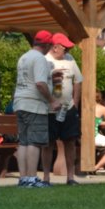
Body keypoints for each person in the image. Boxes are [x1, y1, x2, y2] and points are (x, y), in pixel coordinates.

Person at [12, 30, 60, 188]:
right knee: (34, 142)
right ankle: (32, 178)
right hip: (34, 105)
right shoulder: (40, 59)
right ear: (46, 45)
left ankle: (24, 178)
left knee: (24, 142)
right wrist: (52, 101)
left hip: (20, 102)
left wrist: (50, 77)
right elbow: (40, 84)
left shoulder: (24, 57)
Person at [41, 33, 82, 186]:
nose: (68, 51)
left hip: (68, 108)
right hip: (49, 110)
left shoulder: (70, 59)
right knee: (48, 143)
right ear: (55, 47)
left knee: (70, 142)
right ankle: (46, 177)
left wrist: (75, 103)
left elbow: (77, 81)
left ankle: (70, 177)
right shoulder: (44, 61)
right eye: (65, 48)